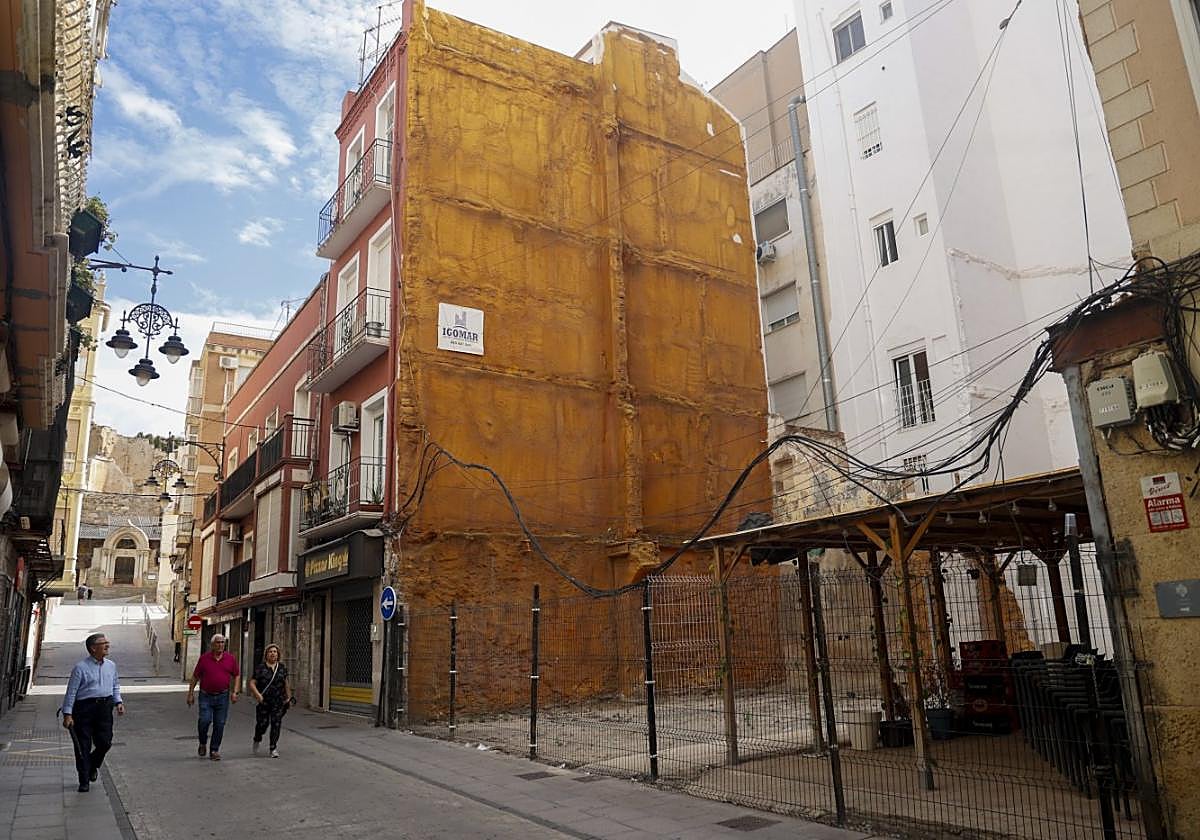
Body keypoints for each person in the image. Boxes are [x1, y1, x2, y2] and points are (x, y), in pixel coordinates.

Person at [61, 633, 125, 792]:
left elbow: (115, 685)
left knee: (105, 742)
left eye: (107, 642)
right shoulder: (80, 668)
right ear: (93, 648)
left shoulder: (111, 665)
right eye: (104, 643)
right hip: (84, 709)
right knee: (82, 745)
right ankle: (84, 781)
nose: (107, 645)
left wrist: (118, 702)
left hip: (104, 708)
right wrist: (67, 714)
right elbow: (71, 692)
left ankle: (92, 765)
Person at [187, 634, 239, 761]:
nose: (220, 645)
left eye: (222, 642)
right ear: (212, 645)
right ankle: (203, 742)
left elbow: (236, 675)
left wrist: (235, 692)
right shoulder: (204, 659)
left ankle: (214, 750)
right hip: (206, 695)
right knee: (204, 720)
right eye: (218, 642)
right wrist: (190, 693)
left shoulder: (230, 659)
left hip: (222, 696)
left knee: (220, 724)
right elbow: (195, 676)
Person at [249, 643, 292, 758]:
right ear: (266, 654)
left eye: (275, 652)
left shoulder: (282, 667)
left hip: (278, 701)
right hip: (264, 701)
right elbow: (252, 683)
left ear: (278, 655)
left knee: (276, 723)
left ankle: (273, 747)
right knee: (262, 724)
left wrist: (288, 698)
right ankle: (257, 738)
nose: (273, 653)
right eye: (270, 652)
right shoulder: (261, 668)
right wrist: (257, 695)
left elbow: (286, 683)